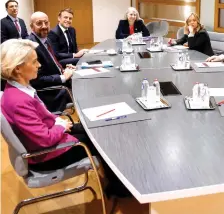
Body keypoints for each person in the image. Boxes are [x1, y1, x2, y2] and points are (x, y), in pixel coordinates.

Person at [0, 39, 132, 198]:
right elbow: (44, 139)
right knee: (104, 141)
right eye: (34, 61)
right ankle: (118, 190)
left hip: (49, 138)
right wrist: (60, 126)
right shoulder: (18, 101)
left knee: (96, 128)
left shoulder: (18, 88)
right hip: (47, 155)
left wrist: (57, 122)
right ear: (18, 68)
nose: (39, 65)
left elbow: (40, 119)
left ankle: (115, 182)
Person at [27, 11, 74, 112]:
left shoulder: (46, 40)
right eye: (39, 23)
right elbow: (36, 80)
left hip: (60, 82)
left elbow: (53, 61)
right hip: (51, 93)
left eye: (46, 22)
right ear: (31, 26)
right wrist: (62, 77)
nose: (44, 26)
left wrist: (64, 69)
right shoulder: (31, 47)